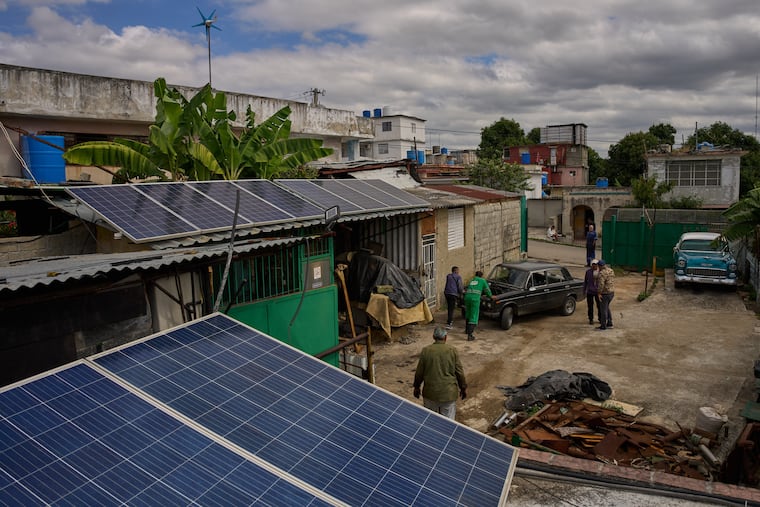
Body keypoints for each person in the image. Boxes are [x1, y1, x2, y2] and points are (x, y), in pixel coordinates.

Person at [413, 327, 467, 420]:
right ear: (445, 337)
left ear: (433, 336)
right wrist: (463, 388)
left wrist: (416, 387)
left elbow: (419, 372)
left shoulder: (426, 350)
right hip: (448, 394)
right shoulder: (452, 350)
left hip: (430, 393)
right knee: (448, 424)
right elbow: (459, 372)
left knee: (430, 422)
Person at [464, 270, 493, 341]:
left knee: (468, 313)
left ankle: (467, 330)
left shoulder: (472, 280)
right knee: (474, 315)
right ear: (481, 275)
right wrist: (491, 296)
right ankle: (470, 335)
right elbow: (487, 290)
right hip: (475, 299)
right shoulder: (482, 280)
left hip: (467, 298)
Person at [597, 260, 615, 330]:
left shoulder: (602, 273)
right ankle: (610, 323)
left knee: (603, 310)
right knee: (607, 307)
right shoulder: (611, 270)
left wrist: (599, 293)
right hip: (611, 292)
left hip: (605, 293)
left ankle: (603, 326)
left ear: (600, 266)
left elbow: (601, 284)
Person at [583, 259, 601, 325]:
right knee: (590, 306)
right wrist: (584, 290)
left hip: (598, 292)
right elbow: (585, 281)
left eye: (595, 265)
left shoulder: (600, 272)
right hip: (590, 292)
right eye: (593, 265)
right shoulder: (588, 272)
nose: (594, 266)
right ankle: (591, 319)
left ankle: (600, 318)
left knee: (599, 306)